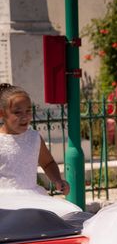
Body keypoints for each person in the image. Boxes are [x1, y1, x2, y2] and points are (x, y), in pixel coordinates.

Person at [0, 83, 81, 216]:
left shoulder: (34, 138)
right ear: (2, 114)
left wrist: (57, 180)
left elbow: (47, 163)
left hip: (32, 197)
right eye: (17, 112)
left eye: (28, 110)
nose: (24, 116)